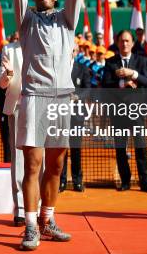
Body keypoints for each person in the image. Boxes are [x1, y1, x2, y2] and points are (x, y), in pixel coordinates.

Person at [13, 0, 83, 250]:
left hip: (62, 100)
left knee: (56, 165)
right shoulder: (26, 21)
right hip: (34, 98)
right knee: (33, 164)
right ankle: (29, 226)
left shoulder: (67, 21)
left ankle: (47, 219)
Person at [101, 30, 147, 193]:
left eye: (127, 41)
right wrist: (122, 84)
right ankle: (125, 181)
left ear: (132, 43)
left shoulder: (141, 60)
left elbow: (146, 81)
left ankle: (145, 182)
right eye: (122, 41)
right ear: (117, 43)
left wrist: (133, 74)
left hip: (137, 112)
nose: (124, 44)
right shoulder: (111, 62)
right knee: (120, 148)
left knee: (141, 147)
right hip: (118, 113)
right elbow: (105, 85)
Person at [0, 40, 27, 227]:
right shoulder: (9, 49)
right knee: (18, 157)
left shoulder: (46, 44)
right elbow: (1, 83)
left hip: (41, 107)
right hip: (17, 106)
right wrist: (8, 74)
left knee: (39, 156)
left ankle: (39, 205)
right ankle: (21, 209)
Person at [59, 47, 91, 193]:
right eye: (68, 49)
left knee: (76, 148)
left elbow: (88, 89)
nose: (69, 52)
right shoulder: (58, 68)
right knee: (61, 149)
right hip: (60, 114)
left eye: (72, 50)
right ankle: (61, 181)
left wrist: (77, 97)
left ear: (76, 52)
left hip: (77, 114)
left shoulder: (83, 68)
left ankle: (78, 181)